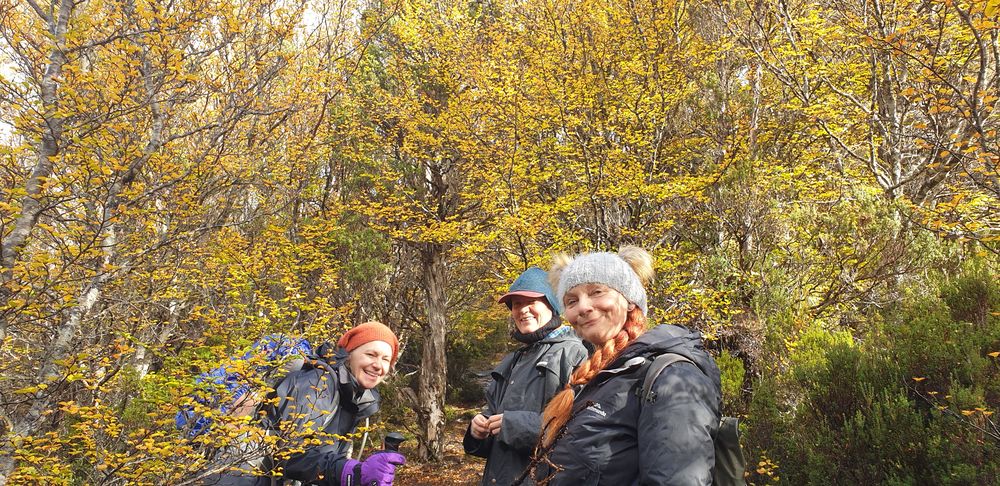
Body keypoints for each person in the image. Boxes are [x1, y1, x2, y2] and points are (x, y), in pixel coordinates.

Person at [527, 247, 722, 486]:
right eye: (571, 300)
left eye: (597, 291)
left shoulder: (671, 377)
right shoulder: (595, 378)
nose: (583, 307)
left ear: (630, 301)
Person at [215, 321, 406, 486]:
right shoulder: (317, 384)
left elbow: (319, 460)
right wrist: (350, 472)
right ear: (349, 354)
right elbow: (287, 455)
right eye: (371, 355)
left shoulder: (353, 399)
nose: (378, 365)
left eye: (386, 359)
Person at [464, 267, 588, 486]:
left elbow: (580, 428)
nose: (522, 310)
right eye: (516, 304)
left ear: (551, 304)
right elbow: (491, 417)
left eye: (530, 302)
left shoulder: (574, 353)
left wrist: (515, 426)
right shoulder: (512, 361)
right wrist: (478, 430)